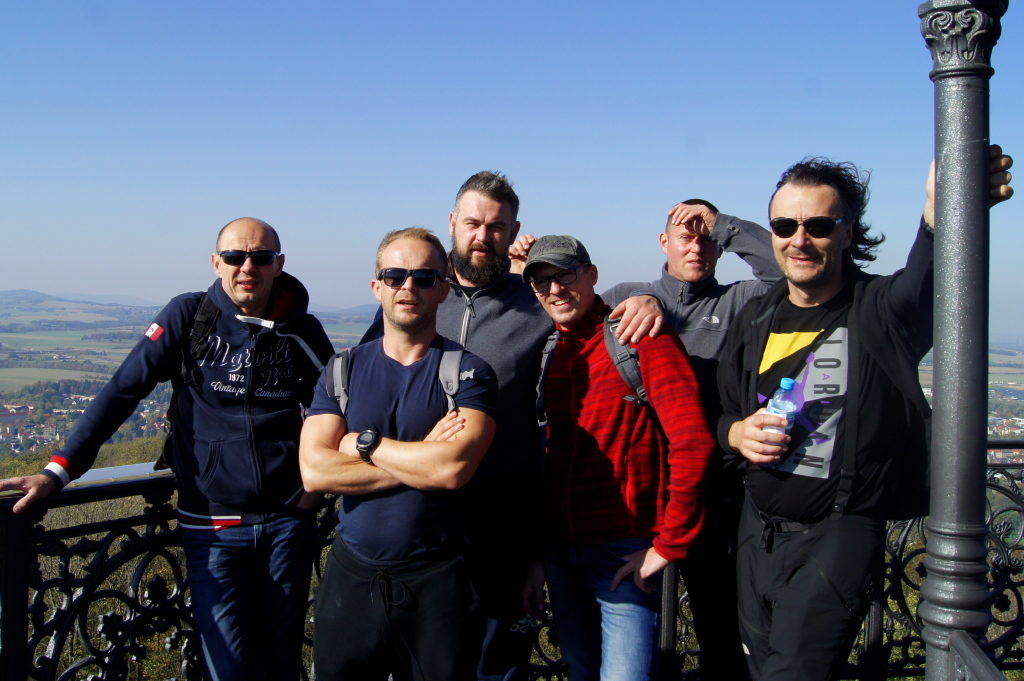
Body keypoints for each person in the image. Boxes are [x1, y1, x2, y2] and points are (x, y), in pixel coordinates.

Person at [716, 148, 1013, 681]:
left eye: (819, 225)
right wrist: (737, 432)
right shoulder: (756, 318)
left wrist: (940, 213)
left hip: (838, 536)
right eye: (784, 226)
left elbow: (927, 283)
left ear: (848, 233)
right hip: (756, 534)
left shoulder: (879, 309)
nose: (799, 239)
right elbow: (721, 413)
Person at [0, 217, 336, 681]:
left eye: (260, 257)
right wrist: (59, 471)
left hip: (287, 523)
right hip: (212, 525)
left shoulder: (301, 329)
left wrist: (314, 490)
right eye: (235, 256)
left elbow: (341, 405)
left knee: (281, 663)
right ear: (216, 262)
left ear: (278, 264)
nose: (247, 267)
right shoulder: (190, 316)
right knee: (227, 669)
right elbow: (123, 390)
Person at [360, 171, 663, 681]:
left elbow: (594, 308)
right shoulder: (418, 292)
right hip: (414, 520)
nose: (483, 236)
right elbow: (369, 374)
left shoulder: (536, 300)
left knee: (496, 667)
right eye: (473, 223)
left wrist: (653, 300)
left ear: (514, 231)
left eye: (496, 227)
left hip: (502, 524)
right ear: (452, 223)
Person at [300, 227, 499, 681]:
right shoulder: (342, 370)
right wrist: (424, 455)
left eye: (424, 277)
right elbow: (314, 471)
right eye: (394, 276)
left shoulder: (468, 373)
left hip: (440, 583)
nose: (408, 286)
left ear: (443, 289)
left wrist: (363, 445)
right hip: (351, 577)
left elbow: (452, 469)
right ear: (377, 287)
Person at [520, 234, 714, 681]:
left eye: (565, 275)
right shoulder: (552, 352)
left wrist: (668, 544)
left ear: (591, 275)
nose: (555, 289)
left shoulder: (638, 338)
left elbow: (693, 441)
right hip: (562, 552)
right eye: (542, 282)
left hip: (624, 553)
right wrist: (538, 554)